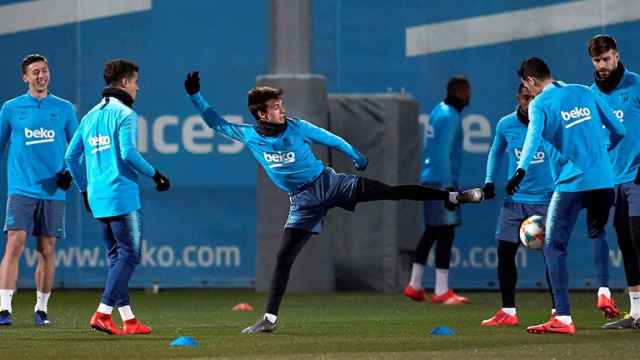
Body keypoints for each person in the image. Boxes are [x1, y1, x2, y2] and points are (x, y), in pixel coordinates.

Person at [183, 71, 483, 333]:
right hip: (302, 202)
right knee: (284, 257)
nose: (282, 111)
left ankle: (453, 195)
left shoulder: (296, 126)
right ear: (261, 115)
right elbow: (215, 123)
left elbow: (328, 138)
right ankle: (269, 319)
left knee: (391, 192)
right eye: (275, 108)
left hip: (329, 184)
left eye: (281, 105)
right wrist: (196, 95)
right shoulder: (249, 136)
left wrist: (354, 154)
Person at [480, 84, 618, 327]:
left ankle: (558, 310)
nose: (530, 101)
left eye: (534, 97)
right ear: (518, 97)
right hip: (515, 201)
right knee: (505, 252)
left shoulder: (548, 119)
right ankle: (508, 310)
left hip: (545, 199)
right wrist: (490, 180)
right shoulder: (506, 124)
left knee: (550, 254)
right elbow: (495, 151)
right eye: (525, 97)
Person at [508, 57, 625, 334]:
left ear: (530, 81)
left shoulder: (539, 104)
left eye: (526, 84)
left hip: (572, 183)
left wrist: (520, 170)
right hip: (604, 181)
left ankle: (562, 317)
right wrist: (602, 154)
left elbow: (532, 138)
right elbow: (619, 130)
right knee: (597, 233)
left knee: (553, 246)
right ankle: (604, 290)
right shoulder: (584, 91)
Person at [65, 59, 170, 335]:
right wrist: (156, 174)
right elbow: (128, 154)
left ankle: (129, 319)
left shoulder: (89, 116)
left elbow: (70, 157)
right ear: (124, 82)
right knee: (130, 255)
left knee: (116, 257)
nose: (138, 87)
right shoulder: (125, 114)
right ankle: (102, 313)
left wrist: (83, 189)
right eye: (135, 81)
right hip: (121, 195)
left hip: (98, 197)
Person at [0, 54, 78, 326]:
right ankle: (4, 308)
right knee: (14, 244)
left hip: (53, 191)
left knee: (47, 248)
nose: (41, 76)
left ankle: (41, 310)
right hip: (21, 188)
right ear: (25, 77)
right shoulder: (11, 108)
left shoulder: (65, 108)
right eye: (35, 72)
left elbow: (76, 148)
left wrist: (70, 174)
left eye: (44, 71)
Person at [403, 76, 471, 305]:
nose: (469, 96)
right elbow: (442, 153)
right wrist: (450, 188)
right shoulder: (450, 116)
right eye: (467, 91)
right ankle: (441, 291)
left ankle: (414, 285)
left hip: (430, 179)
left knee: (432, 231)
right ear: (460, 92)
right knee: (446, 231)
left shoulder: (437, 111)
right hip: (442, 181)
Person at [588, 34, 640, 330]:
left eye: (606, 58)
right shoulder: (591, 94)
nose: (602, 65)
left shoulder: (636, 83)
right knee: (625, 241)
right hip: (611, 179)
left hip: (638, 175)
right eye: (597, 60)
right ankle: (635, 313)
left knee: (638, 235)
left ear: (616, 56)